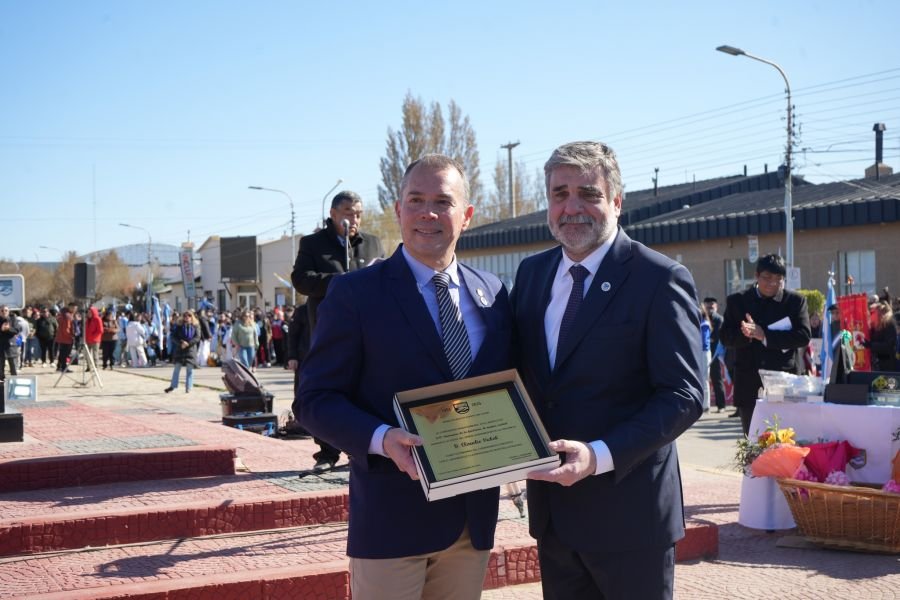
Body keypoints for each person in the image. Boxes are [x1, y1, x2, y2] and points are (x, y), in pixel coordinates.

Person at [295, 155, 512, 600]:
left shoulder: (493, 293)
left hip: (471, 523)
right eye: (416, 200)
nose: (428, 213)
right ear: (398, 210)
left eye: (442, 202)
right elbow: (314, 399)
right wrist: (381, 439)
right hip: (391, 521)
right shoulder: (355, 293)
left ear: (467, 215)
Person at [509, 141, 703, 600]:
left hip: (630, 520)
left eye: (588, 194)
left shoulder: (659, 278)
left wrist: (599, 455)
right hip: (555, 518)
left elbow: (684, 395)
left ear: (616, 201)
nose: (572, 207)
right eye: (560, 194)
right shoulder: (532, 274)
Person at [291, 189, 386, 473]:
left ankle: (361, 448)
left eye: (358, 214)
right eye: (348, 213)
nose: (354, 219)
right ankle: (327, 452)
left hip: (368, 330)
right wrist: (340, 281)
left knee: (365, 389)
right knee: (327, 390)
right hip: (327, 329)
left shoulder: (372, 243)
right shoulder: (313, 244)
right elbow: (301, 280)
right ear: (333, 214)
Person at [720, 254, 811, 435]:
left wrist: (765, 335)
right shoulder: (738, 301)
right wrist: (745, 334)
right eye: (767, 278)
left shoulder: (795, 301)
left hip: (784, 381)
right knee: (754, 440)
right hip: (749, 383)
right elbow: (725, 337)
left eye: (778, 279)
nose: (772, 283)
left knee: (786, 441)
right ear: (756, 276)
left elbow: (803, 336)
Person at [165, 310, 200, 393]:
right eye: (185, 316)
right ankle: (173, 386)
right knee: (177, 368)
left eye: (189, 316)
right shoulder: (179, 325)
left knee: (189, 370)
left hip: (191, 350)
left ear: (192, 317)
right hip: (180, 350)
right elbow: (173, 336)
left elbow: (197, 337)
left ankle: (188, 387)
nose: (187, 317)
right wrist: (181, 343)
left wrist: (188, 343)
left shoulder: (196, 326)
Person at [703, 297, 727, 413]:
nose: (710, 308)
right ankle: (704, 405)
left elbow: (718, 336)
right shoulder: (702, 318)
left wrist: (710, 340)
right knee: (704, 379)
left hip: (716, 353)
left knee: (716, 378)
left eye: (712, 305)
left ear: (716, 307)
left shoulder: (719, 319)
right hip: (704, 352)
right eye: (707, 306)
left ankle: (721, 405)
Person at [866, 301, 897, 372]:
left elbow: (889, 346)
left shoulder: (889, 324)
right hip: (878, 365)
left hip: (887, 366)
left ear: (879, 313)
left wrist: (871, 345)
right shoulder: (875, 326)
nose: (869, 315)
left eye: (872, 313)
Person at [54, 303, 77, 372]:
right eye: (74, 308)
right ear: (70, 307)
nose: (75, 310)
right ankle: (63, 367)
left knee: (62, 352)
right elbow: (66, 328)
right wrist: (71, 336)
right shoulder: (67, 316)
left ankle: (59, 366)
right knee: (65, 353)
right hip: (66, 338)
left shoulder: (63, 314)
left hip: (61, 337)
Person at [0, 305, 20, 382]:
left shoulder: (13, 319)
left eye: (6, 310)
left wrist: (8, 329)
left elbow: (17, 330)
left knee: (13, 368)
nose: (4, 312)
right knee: (0, 369)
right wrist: (1, 329)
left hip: (11, 347)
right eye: (2, 310)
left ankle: (14, 383)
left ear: (8, 311)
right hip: (1, 347)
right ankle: (1, 383)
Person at [700, 304, 712, 412]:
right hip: (700, 352)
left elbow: (705, 342)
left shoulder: (704, 324)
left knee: (704, 379)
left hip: (703, 352)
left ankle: (706, 405)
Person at [84, 306, 103, 371]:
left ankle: (96, 367)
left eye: (90, 312)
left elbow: (100, 330)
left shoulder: (97, 319)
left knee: (95, 354)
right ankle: (88, 367)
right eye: (88, 312)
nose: (88, 314)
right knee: (87, 354)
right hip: (87, 339)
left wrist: (93, 335)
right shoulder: (87, 320)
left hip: (95, 340)